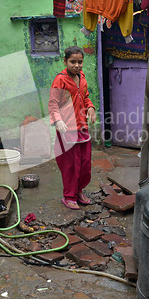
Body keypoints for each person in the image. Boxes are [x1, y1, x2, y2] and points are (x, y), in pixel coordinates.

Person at [48, 46, 97, 210]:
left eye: (80, 62)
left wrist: (90, 108)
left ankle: (79, 191)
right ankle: (69, 196)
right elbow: (53, 103)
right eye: (73, 62)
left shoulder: (82, 77)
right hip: (66, 129)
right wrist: (57, 120)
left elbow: (85, 97)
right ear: (65, 61)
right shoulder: (60, 80)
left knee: (84, 164)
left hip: (82, 127)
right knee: (71, 165)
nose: (77, 65)